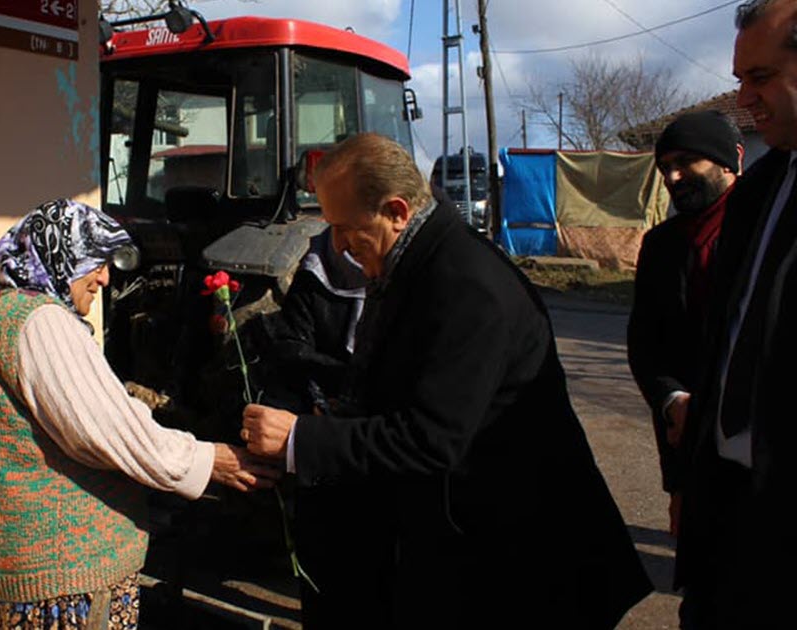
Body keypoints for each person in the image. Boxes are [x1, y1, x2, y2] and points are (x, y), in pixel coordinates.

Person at [239, 133, 651, 628]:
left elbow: (431, 437)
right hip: (470, 541)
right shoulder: (412, 262)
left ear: (396, 211)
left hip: (524, 560)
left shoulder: (466, 285)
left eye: (346, 229)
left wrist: (301, 438)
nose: (340, 247)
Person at [0, 199, 279, 630]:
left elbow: (103, 412)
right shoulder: (39, 321)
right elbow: (106, 430)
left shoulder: (8, 315)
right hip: (65, 578)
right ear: (60, 253)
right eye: (95, 261)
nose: (105, 278)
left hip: (48, 574)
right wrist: (210, 460)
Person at [675, 1, 797, 626]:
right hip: (729, 511)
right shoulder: (759, 192)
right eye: (740, 78)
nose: (744, 99)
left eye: (762, 77)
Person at [627, 111, 743, 538]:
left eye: (686, 163)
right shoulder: (662, 246)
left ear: (730, 161)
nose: (673, 177)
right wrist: (672, 399)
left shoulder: (765, 231)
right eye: (664, 168)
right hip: (691, 446)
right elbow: (646, 342)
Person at [247, 226, 367, 414]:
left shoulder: (416, 279)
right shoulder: (317, 271)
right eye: (335, 227)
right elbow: (292, 348)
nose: (339, 244)